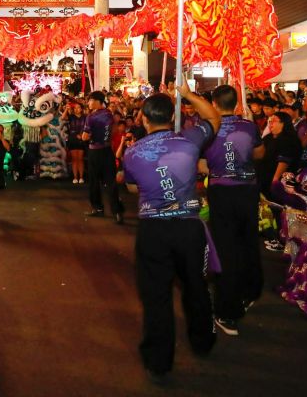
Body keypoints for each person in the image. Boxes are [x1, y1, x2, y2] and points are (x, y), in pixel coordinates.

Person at [122, 83, 220, 384]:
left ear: (144, 119)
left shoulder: (133, 152)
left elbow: (131, 187)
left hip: (154, 229)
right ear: (172, 115)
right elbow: (214, 119)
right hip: (188, 227)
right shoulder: (189, 140)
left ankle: (158, 361)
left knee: (156, 297)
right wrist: (189, 95)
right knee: (196, 288)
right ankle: (203, 341)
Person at [202, 85, 264, 336]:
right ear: (236, 103)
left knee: (225, 248)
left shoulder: (209, 129)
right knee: (248, 241)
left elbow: (203, 165)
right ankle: (250, 290)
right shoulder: (249, 126)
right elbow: (259, 153)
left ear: (215, 104)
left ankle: (227, 311)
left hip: (223, 191)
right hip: (247, 191)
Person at [257, 111, 302, 252]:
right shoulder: (269, 138)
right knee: (273, 210)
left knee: (283, 211)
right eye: (269, 121)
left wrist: (275, 180)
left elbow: (284, 160)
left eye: (274, 121)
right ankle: (277, 237)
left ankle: (285, 241)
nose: (270, 123)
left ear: (284, 123)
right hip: (265, 179)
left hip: (280, 181)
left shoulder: (288, 139)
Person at [81, 91, 124, 224]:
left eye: (90, 100)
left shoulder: (91, 117)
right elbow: (114, 130)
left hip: (95, 152)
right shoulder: (108, 114)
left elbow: (85, 137)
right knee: (111, 182)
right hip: (107, 151)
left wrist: (87, 135)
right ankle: (117, 211)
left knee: (94, 181)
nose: (88, 103)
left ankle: (97, 208)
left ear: (97, 101)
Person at [62, 102, 87, 184]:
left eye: (78, 107)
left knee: (80, 159)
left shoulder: (85, 117)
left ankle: (81, 177)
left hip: (82, 139)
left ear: (81, 109)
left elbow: (87, 128)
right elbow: (62, 117)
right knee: (74, 159)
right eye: (75, 108)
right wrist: (66, 108)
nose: (77, 109)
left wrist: (82, 134)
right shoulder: (71, 117)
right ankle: (75, 177)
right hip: (72, 139)